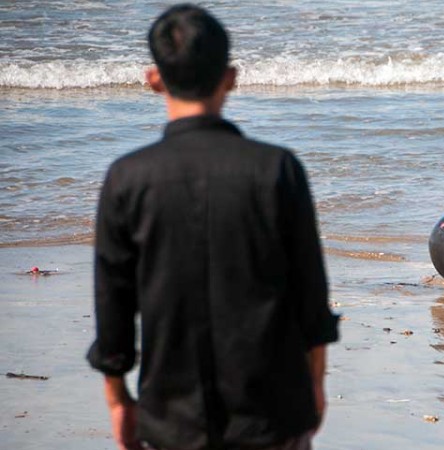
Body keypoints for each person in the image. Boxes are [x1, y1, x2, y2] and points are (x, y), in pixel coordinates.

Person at [86, 4, 339, 450]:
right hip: (271, 412)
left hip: (170, 417)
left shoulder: (127, 178)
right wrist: (314, 383)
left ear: (154, 79)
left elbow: (114, 304)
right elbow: (310, 296)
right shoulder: (276, 169)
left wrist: (118, 401)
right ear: (231, 77)